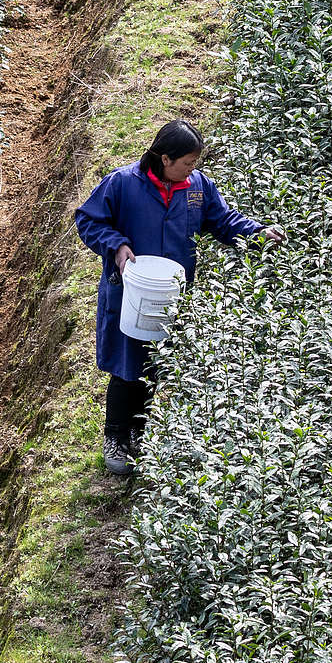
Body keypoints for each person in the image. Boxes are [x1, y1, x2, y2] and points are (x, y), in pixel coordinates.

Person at [75, 120, 284, 476]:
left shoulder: (197, 188)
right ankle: (115, 437)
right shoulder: (123, 184)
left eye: (194, 162)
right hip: (130, 290)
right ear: (164, 157)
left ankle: (138, 435)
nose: (192, 169)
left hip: (171, 293)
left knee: (155, 366)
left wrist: (258, 232)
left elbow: (222, 221)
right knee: (127, 367)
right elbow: (89, 220)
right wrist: (117, 245)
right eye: (186, 162)